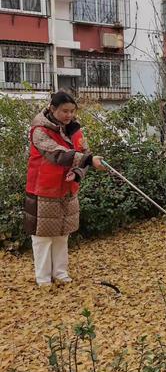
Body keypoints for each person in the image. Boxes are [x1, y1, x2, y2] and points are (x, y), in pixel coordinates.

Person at [24, 91, 105, 286]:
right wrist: (87, 160)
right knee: (42, 237)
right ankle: (43, 278)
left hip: (67, 189)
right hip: (43, 189)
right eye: (64, 111)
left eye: (72, 111)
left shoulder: (75, 130)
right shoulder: (40, 130)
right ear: (52, 109)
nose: (69, 115)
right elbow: (57, 154)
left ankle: (60, 272)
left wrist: (78, 172)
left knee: (62, 234)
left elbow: (84, 154)